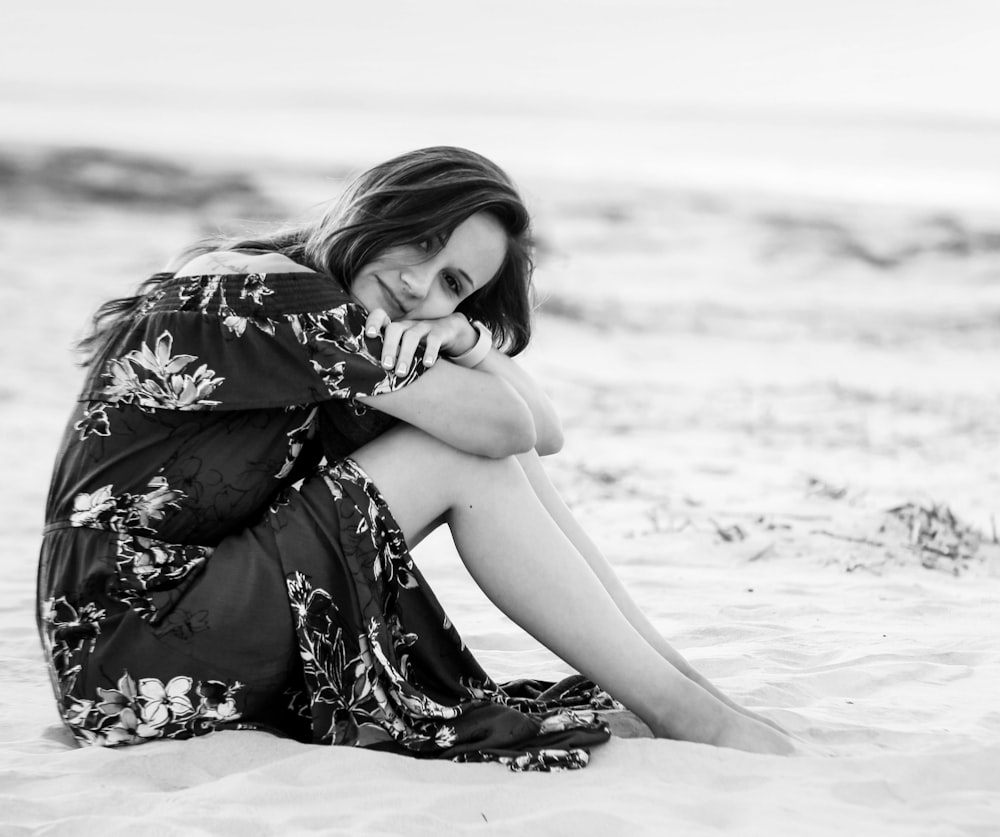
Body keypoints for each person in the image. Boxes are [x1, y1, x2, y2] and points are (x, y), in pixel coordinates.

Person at [37, 146, 795, 771]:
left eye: (452, 284)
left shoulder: (333, 313)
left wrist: (465, 338)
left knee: (476, 446)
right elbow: (507, 430)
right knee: (462, 454)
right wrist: (466, 347)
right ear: (379, 205)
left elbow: (540, 435)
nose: (415, 286)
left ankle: (686, 691)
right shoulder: (268, 293)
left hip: (167, 622)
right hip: (129, 645)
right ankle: (686, 709)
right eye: (423, 243)